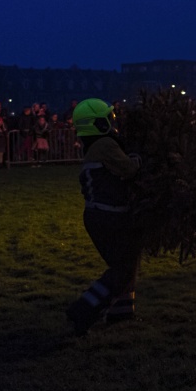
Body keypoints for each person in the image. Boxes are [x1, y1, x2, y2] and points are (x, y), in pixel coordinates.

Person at [66, 98, 142, 336]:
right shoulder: (106, 144)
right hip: (108, 217)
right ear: (97, 123)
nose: (112, 121)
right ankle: (83, 309)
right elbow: (129, 169)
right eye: (108, 118)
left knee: (125, 263)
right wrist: (140, 158)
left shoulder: (93, 146)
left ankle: (121, 313)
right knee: (123, 269)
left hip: (98, 216)